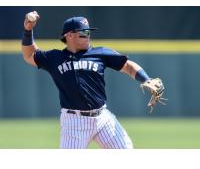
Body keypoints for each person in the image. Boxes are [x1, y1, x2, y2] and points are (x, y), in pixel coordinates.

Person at [21, 11, 165, 149]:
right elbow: (30, 55)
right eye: (83, 33)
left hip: (102, 118)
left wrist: (145, 79)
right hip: (74, 122)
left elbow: (128, 66)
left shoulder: (100, 53)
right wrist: (28, 30)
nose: (88, 35)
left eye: (89, 32)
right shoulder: (55, 58)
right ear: (69, 35)